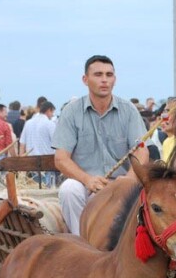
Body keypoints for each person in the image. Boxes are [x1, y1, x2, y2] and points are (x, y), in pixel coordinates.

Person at [52, 55, 148, 235]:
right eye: (98, 74)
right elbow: (61, 159)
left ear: (115, 79)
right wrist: (87, 179)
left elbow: (142, 151)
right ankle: (83, 243)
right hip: (85, 184)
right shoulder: (71, 112)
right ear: (85, 80)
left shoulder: (128, 111)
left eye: (109, 74)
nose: (104, 80)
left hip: (120, 185)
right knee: (68, 189)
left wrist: (129, 179)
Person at [19, 101, 59, 185]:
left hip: (31, 163)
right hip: (46, 163)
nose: (52, 115)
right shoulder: (50, 124)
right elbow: (57, 144)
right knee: (47, 192)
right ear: (49, 110)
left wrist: (21, 163)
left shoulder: (28, 123)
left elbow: (22, 144)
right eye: (52, 112)